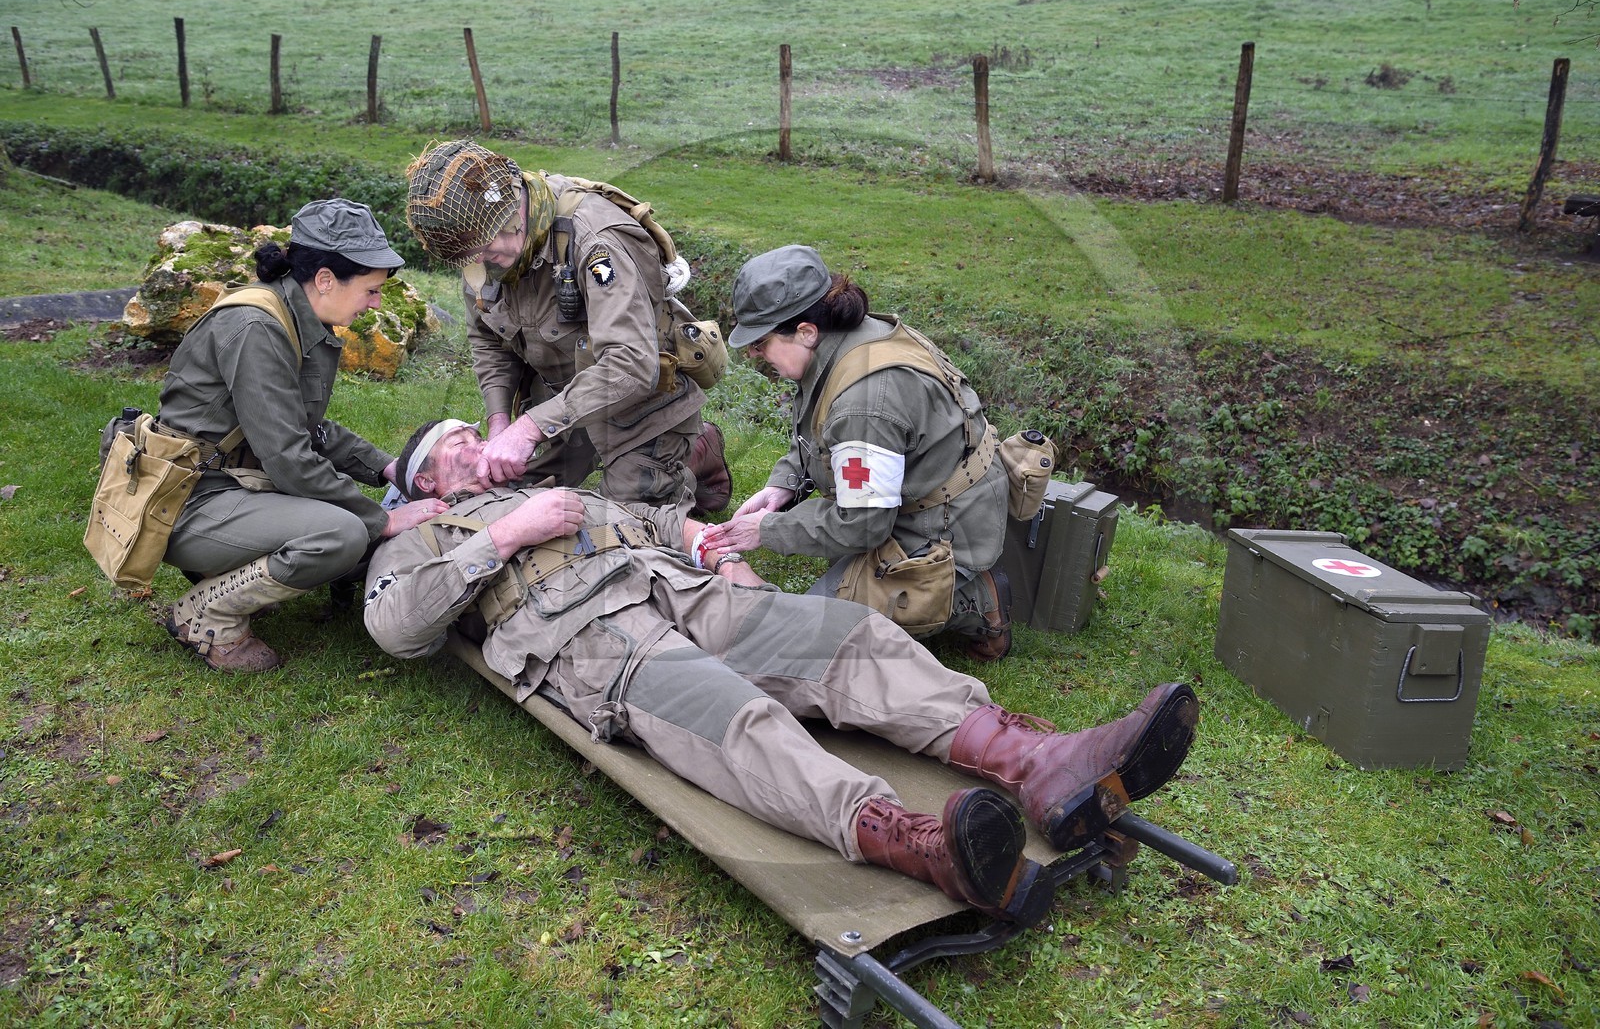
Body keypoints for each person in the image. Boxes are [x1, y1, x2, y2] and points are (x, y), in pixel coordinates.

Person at [363, 420, 1200, 919]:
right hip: (589, 638)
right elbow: (397, 626)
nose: (476, 446)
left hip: (682, 591)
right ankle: (916, 844)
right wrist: (505, 535)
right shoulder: (420, 533)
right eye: (457, 447)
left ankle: (1036, 762)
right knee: (730, 716)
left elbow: (650, 518)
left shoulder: (551, 491)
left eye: (477, 435)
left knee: (840, 634)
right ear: (425, 476)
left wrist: (700, 541)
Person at [159, 199, 449, 673]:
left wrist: (386, 468)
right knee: (342, 534)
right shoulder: (257, 327)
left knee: (343, 515)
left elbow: (303, 426)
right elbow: (288, 456)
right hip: (187, 504)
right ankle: (207, 614)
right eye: (371, 290)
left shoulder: (293, 317)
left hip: (228, 484)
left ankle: (229, 569)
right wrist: (380, 519)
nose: (376, 302)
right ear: (326, 279)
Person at [701, 245, 1014, 661]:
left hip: (939, 525)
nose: (753, 354)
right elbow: (821, 433)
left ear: (807, 331)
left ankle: (972, 598)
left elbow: (864, 526)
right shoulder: (844, 342)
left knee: (806, 642)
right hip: (910, 497)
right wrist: (784, 487)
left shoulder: (864, 401)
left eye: (761, 342)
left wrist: (768, 530)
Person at [402, 139, 728, 516]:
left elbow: (632, 364)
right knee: (507, 499)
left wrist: (529, 430)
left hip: (642, 402)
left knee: (629, 522)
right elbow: (488, 342)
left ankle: (696, 450)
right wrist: (500, 424)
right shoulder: (477, 243)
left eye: (485, 249)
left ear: (511, 214)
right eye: (468, 256)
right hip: (561, 399)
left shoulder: (597, 242)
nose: (478, 262)